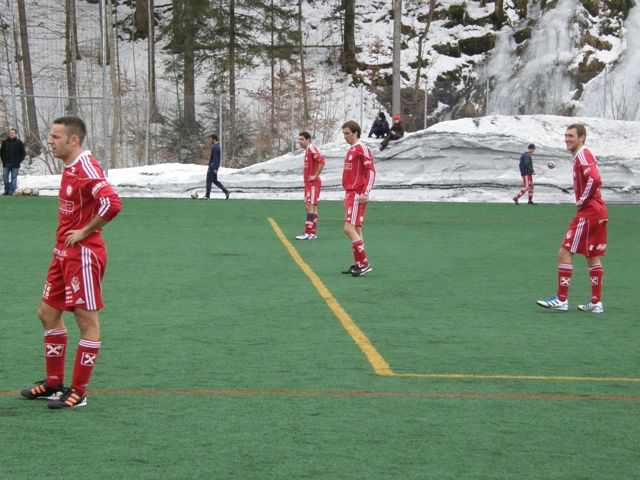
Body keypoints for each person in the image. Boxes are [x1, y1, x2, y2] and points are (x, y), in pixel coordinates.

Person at [20, 116, 122, 409]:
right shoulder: (70, 166)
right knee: (47, 313)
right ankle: (54, 384)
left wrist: (85, 231)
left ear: (73, 140)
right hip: (63, 253)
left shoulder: (87, 168)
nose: (50, 141)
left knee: (86, 322)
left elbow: (112, 204)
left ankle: (79, 392)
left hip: (84, 255)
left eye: (55, 136)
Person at [537, 123, 607, 313]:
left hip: (589, 211)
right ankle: (596, 302)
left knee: (565, 251)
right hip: (598, 211)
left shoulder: (583, 154)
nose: (567, 139)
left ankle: (561, 299)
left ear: (582, 137)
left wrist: (582, 199)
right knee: (592, 255)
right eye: (566, 136)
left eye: (571, 136)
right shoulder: (583, 155)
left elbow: (595, 179)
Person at [341, 120, 376, 277]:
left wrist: (365, 192)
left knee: (348, 229)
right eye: (343, 133)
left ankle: (364, 264)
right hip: (351, 193)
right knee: (356, 229)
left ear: (355, 133)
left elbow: (371, 171)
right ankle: (359, 263)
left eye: (347, 133)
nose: (345, 136)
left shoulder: (362, 148)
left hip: (357, 194)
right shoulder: (352, 149)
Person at [295, 131, 325, 240]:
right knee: (311, 206)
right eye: (299, 139)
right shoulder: (308, 151)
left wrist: (315, 176)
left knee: (309, 206)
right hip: (309, 184)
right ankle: (312, 233)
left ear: (308, 140)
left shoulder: (311, 149)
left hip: (313, 184)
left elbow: (322, 161)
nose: (300, 141)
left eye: (302, 139)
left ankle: (308, 233)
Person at [203, 133, 230, 200]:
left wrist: (215, 168)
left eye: (210, 139)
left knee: (208, 181)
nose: (210, 141)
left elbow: (216, 158)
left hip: (212, 167)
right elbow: (217, 159)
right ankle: (226, 191)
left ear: (214, 139)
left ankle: (207, 195)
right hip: (214, 166)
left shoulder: (215, 147)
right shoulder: (217, 146)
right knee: (215, 181)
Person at [1, 128, 26, 195]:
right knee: (5, 176)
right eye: (10, 133)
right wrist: (3, 160)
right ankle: (7, 189)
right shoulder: (5, 142)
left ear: (15, 134)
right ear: (9, 134)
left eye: (13, 133)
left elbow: (23, 153)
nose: (11, 134)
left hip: (15, 164)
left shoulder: (19, 142)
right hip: (6, 163)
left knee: (14, 177)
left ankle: (11, 191)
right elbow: (2, 152)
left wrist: (19, 161)